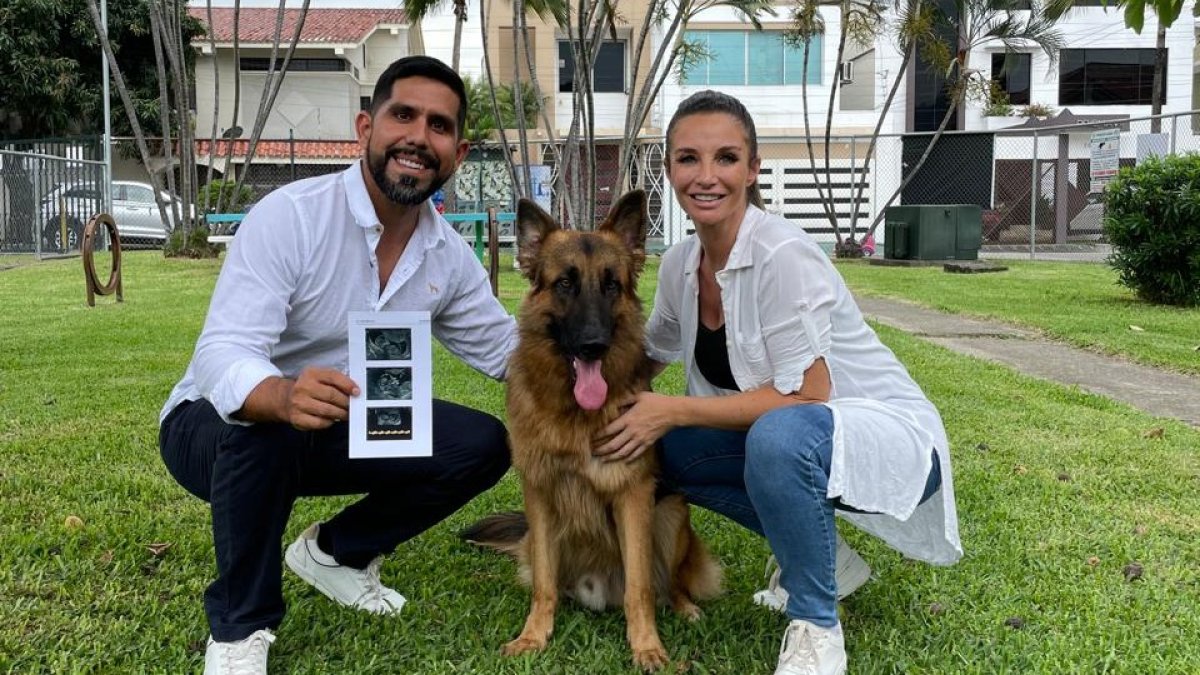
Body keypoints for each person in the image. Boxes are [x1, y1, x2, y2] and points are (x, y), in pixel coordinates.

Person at [158, 56, 517, 675]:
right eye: (402, 115)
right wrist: (281, 394)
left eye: (438, 126)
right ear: (364, 129)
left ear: (457, 154)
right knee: (266, 431)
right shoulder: (291, 216)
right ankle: (241, 628)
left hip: (348, 422)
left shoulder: (447, 255)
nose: (417, 137)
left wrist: (600, 372)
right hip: (215, 427)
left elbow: (508, 352)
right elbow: (223, 353)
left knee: (483, 444)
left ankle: (336, 553)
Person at [593, 90, 962, 675]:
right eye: (688, 159)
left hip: (881, 435)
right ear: (669, 171)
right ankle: (827, 559)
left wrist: (673, 410)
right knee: (656, 449)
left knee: (776, 438)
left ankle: (818, 627)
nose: (706, 176)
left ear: (753, 169)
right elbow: (649, 354)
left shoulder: (782, 255)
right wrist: (585, 392)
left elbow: (808, 394)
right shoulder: (680, 264)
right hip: (789, 429)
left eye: (726, 158)